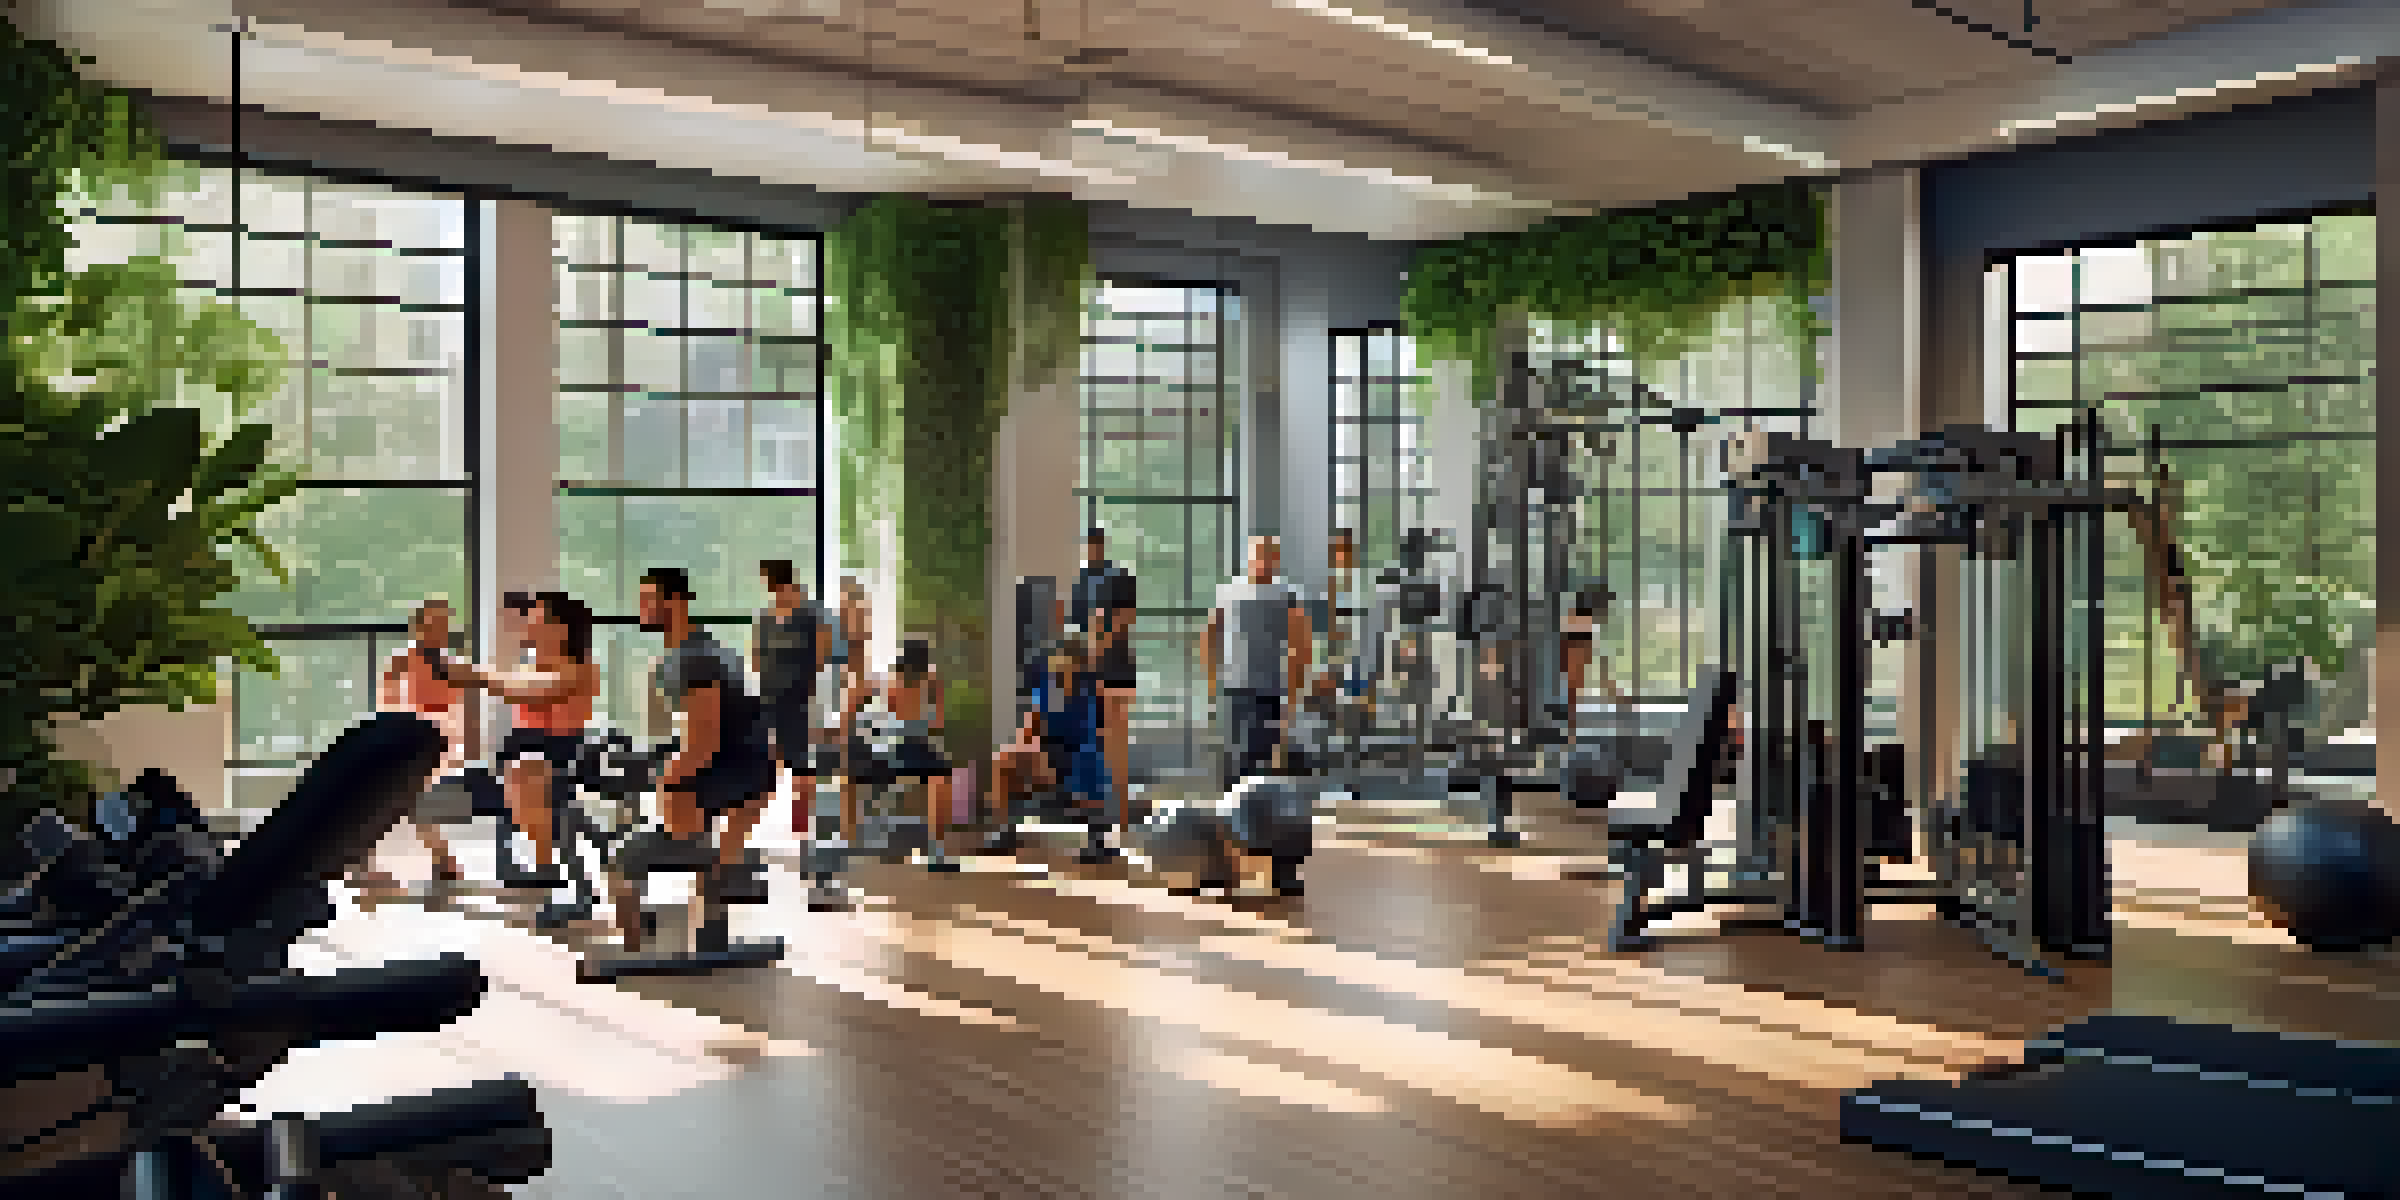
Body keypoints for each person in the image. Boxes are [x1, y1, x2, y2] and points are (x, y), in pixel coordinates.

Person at [627, 567, 775, 909]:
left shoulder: (695, 659)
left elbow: (704, 744)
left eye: (649, 600)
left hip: (740, 770)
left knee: (654, 840)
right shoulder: (691, 651)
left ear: (676, 602)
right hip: (745, 765)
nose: (641, 608)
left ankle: (712, 877)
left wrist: (663, 781)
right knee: (707, 877)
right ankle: (719, 881)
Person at [440, 592, 601, 888]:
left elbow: (539, 691)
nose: (528, 623)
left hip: (559, 759)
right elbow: (519, 686)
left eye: (536, 617)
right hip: (515, 760)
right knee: (425, 792)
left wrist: (476, 676)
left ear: (560, 628)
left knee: (525, 768)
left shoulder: (582, 668)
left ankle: (544, 865)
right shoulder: (529, 665)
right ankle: (449, 867)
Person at [365, 597, 470, 889]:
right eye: (431, 621)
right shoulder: (403, 660)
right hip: (407, 737)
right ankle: (367, 867)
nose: (437, 628)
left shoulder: (453, 665)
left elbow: (457, 711)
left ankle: (444, 863)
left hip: (438, 742)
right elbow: (386, 702)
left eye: (443, 622)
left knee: (416, 804)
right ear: (418, 626)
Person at [1205, 536, 1312, 789]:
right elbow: (1210, 634)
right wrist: (1211, 680)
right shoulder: (1229, 592)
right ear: (1249, 557)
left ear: (1276, 559)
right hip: (1234, 689)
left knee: (1262, 761)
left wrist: (1294, 695)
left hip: (1269, 691)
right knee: (1234, 760)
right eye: (1259, 554)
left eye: (1270, 555)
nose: (1264, 561)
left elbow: (1301, 646)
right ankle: (1233, 803)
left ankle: (1259, 806)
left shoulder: (1287, 596)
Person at [754, 560, 833, 837]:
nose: (772, 589)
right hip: (771, 698)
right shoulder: (766, 617)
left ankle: (800, 826)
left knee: (801, 764)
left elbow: (822, 658)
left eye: (773, 583)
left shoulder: (812, 615)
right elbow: (757, 657)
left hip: (801, 700)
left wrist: (811, 691)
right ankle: (759, 823)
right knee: (767, 760)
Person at [1070, 528, 1139, 822]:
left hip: (1115, 669)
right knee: (1091, 739)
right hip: (1087, 669)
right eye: (1087, 546)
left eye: (1094, 545)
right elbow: (1075, 626)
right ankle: (1095, 813)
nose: (1091, 551)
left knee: (1116, 740)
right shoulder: (1079, 581)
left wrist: (1101, 642)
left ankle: (1119, 812)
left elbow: (1126, 618)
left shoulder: (1120, 577)